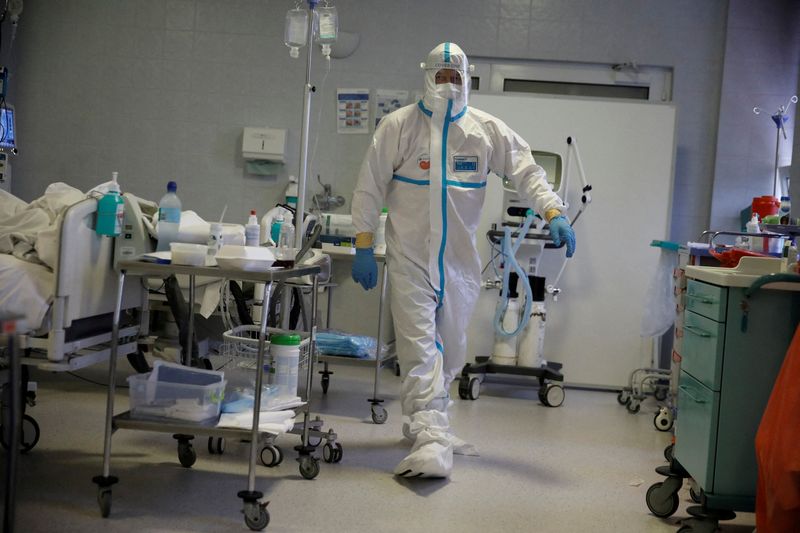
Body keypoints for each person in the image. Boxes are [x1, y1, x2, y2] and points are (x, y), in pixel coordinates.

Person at [350, 42, 575, 478]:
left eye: (457, 78)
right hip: (410, 259)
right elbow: (368, 187)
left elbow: (526, 171)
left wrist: (553, 211)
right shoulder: (398, 127)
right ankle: (433, 440)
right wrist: (363, 243)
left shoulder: (485, 131)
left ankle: (422, 420)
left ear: (467, 80)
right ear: (427, 76)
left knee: (450, 351)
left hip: (459, 265)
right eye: (441, 76)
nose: (449, 85)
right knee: (420, 348)